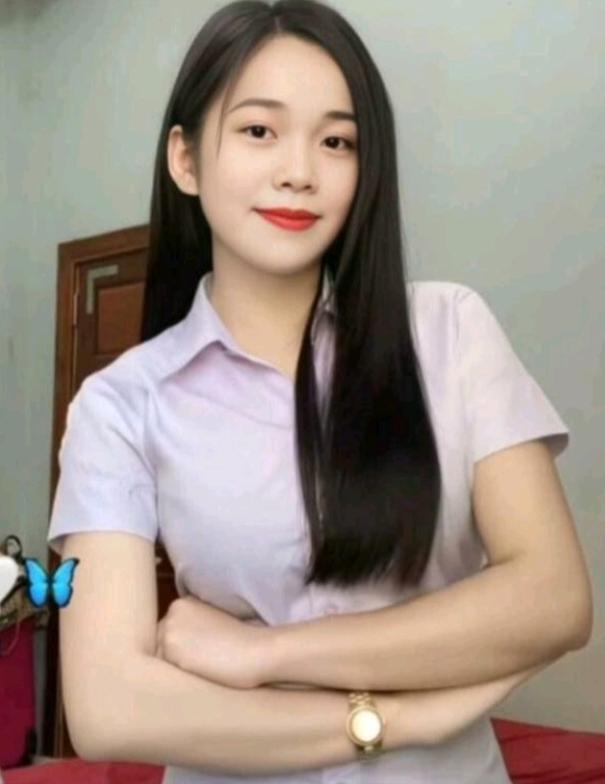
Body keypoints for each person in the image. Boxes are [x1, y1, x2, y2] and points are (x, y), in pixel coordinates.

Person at [46, 1, 591, 782]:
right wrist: (390, 719)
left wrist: (265, 653)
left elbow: (552, 598)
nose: (298, 171)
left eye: (336, 141)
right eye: (258, 130)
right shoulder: (120, 403)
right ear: (185, 159)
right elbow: (109, 707)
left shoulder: (449, 333)